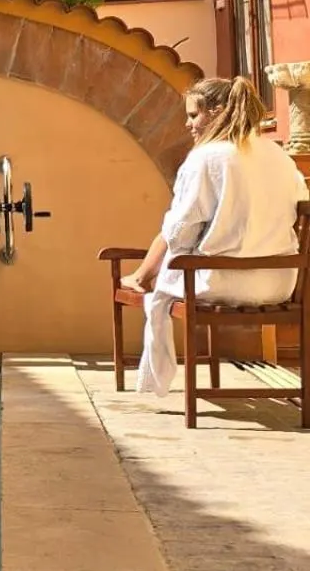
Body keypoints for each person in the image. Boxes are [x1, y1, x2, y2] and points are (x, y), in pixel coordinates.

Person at [124, 76, 307, 396]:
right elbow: (297, 212)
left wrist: (146, 271)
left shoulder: (206, 158)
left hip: (218, 284)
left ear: (217, 111)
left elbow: (179, 233)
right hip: (278, 284)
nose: (188, 124)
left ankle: (139, 280)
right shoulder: (279, 156)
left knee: (174, 248)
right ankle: (141, 277)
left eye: (194, 115)